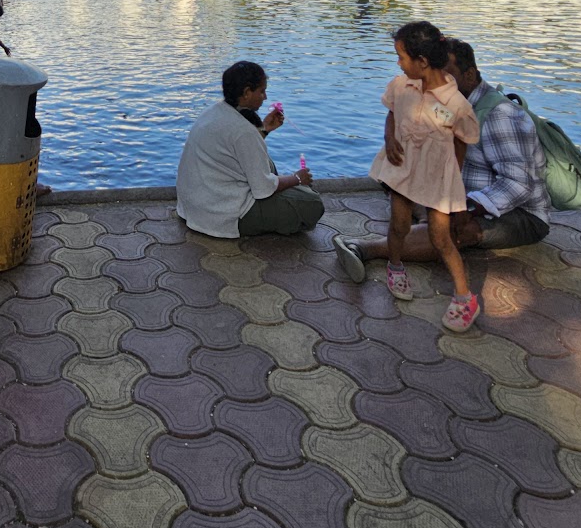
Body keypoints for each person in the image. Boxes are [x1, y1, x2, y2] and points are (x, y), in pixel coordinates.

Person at [338, 38, 549, 280]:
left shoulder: (501, 116)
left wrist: (465, 209)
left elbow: (518, 185)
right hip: (464, 193)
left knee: (451, 229)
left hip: (519, 214)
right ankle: (426, 223)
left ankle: (364, 249)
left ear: (469, 75)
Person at [338, 20, 482, 332]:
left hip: (436, 175)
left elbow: (462, 141)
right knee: (399, 224)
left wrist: (453, 182)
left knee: (440, 237)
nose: (398, 62)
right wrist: (389, 139)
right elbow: (392, 114)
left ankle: (464, 296)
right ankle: (395, 265)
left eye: (401, 57)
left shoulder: (454, 103)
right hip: (404, 168)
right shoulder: (401, 85)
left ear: (422, 62)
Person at [176, 61, 323, 238]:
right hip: (222, 215)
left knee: (269, 166)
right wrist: (297, 178)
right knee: (312, 203)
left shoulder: (214, 112)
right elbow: (263, 189)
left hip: (195, 208)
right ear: (246, 93)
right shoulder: (243, 130)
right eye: (261, 91)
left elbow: (237, 151)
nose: (265, 97)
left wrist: (264, 130)